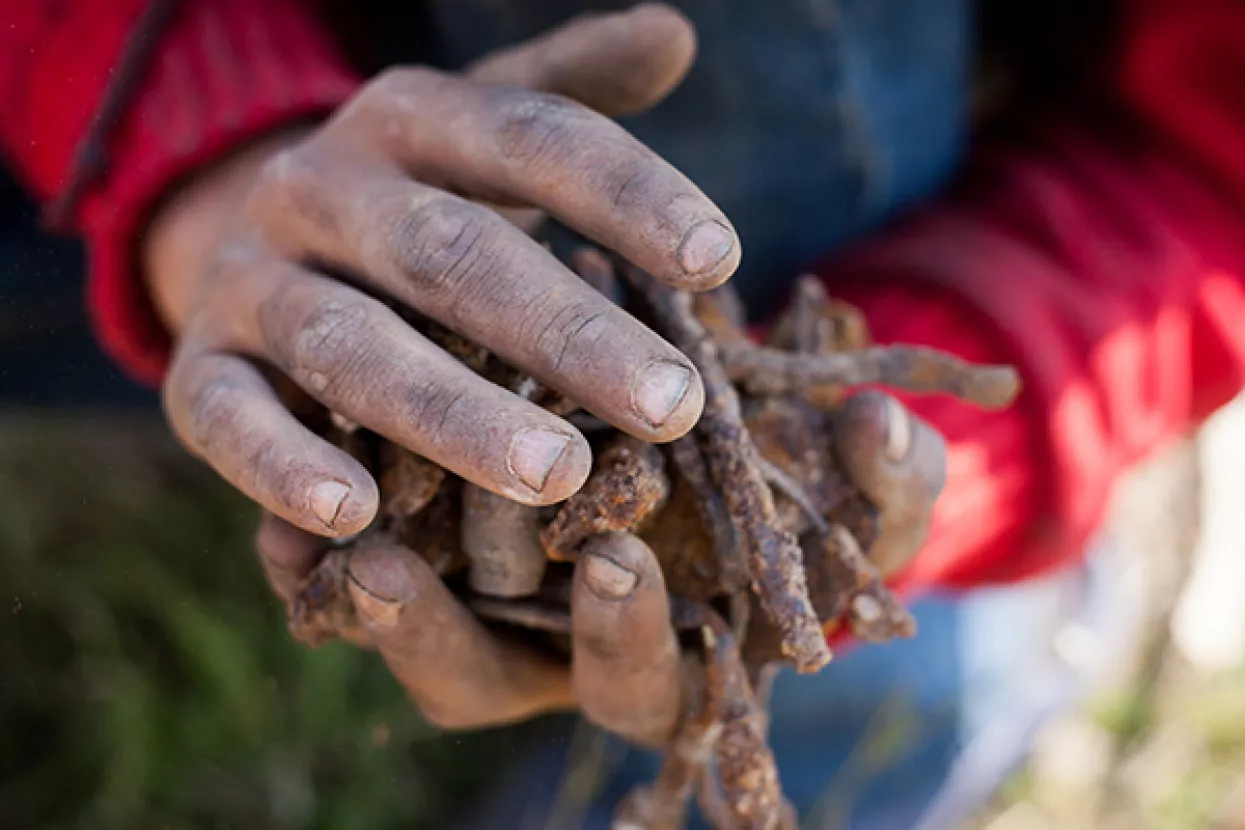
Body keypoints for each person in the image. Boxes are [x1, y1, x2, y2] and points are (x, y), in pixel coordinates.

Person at [3, 0, 1244, 825]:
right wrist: (197, 158)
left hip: (908, 194)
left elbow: (1213, 181)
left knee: (819, 646)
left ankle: (873, 654)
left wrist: (879, 455)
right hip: (171, 88)